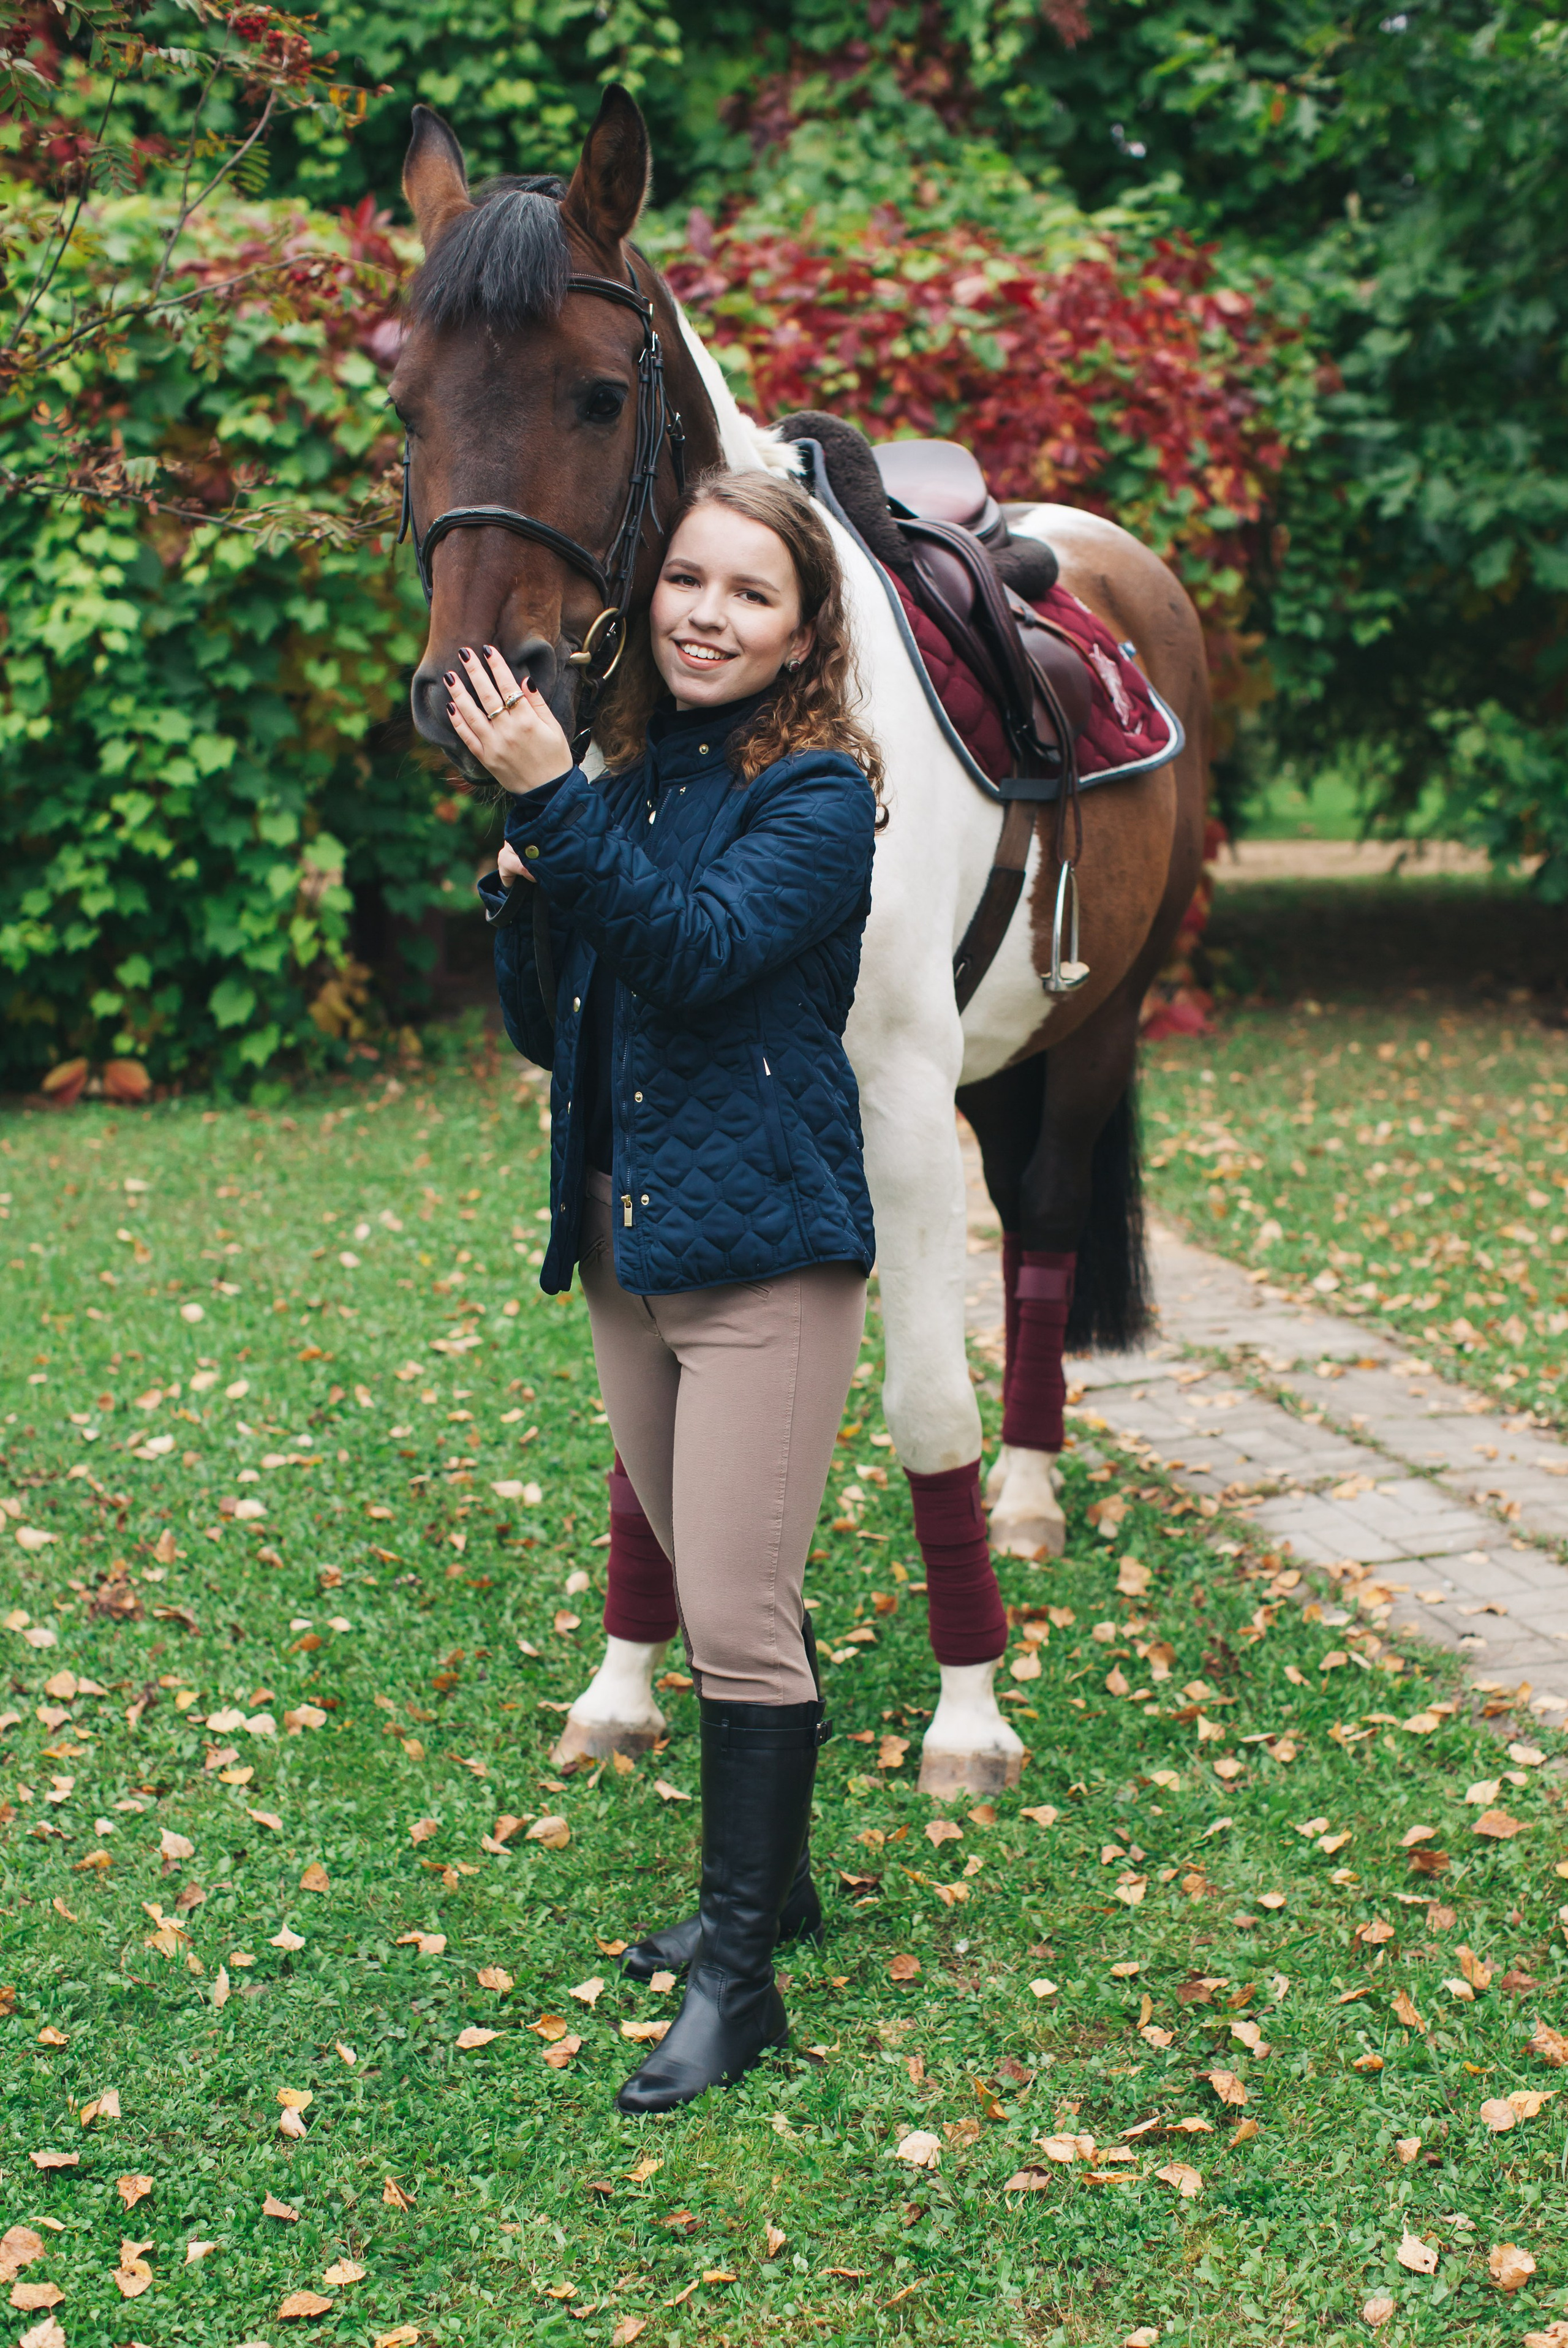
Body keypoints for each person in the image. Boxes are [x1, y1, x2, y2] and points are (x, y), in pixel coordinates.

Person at [452, 469, 883, 2115]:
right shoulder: (621, 778)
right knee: (723, 1582)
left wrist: (554, 803)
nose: (710, 612)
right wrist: (520, 885)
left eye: (751, 592)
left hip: (766, 1245)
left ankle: (740, 1977)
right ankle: (767, 1886)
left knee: (739, 1608)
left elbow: (702, 956)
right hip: (629, 1247)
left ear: (801, 631)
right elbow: (562, 1022)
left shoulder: (824, 796)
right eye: (690, 579)